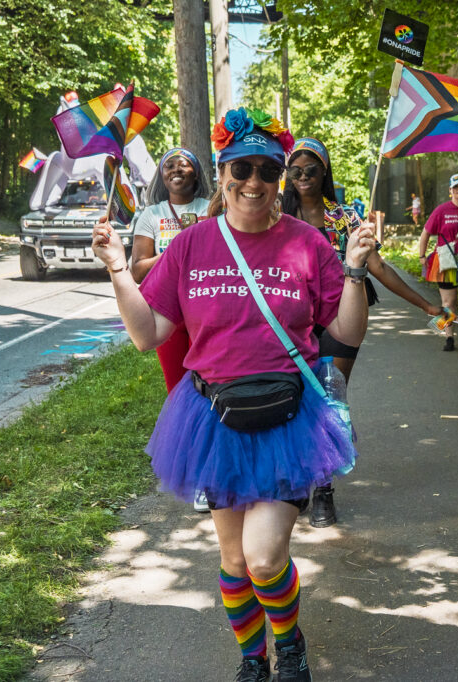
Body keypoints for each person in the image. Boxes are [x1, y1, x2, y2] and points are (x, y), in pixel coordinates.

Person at [92, 107, 376, 682]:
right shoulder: (192, 246)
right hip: (213, 419)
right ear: (221, 173)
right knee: (232, 560)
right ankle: (252, 659)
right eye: (241, 168)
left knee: (265, 559)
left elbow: (346, 333)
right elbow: (148, 336)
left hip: (285, 417)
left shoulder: (307, 243)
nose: (254, 182)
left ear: (279, 180)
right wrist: (120, 270)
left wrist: (352, 269)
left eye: (267, 171)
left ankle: (289, 645)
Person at [282, 137, 443, 528]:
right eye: (296, 171)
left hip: (341, 318)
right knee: (290, 399)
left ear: (325, 173)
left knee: (329, 396)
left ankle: (323, 489)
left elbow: (381, 268)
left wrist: (426, 305)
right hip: (288, 322)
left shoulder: (346, 219)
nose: (304, 177)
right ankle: (295, 480)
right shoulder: (274, 216)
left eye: (312, 170)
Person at [128, 147, 212, 512]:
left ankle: (213, 472)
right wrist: (176, 250)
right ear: (162, 176)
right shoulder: (152, 214)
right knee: (179, 391)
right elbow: (137, 269)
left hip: (208, 309)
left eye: (185, 164)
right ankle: (195, 476)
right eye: (169, 166)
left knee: (212, 388)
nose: (177, 170)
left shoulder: (212, 207)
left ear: (197, 174)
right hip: (166, 311)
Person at [418, 173, 458, 351]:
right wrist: (422, 255)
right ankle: (449, 337)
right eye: (455, 187)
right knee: (448, 303)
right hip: (446, 260)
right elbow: (425, 233)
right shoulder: (441, 210)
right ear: (450, 190)